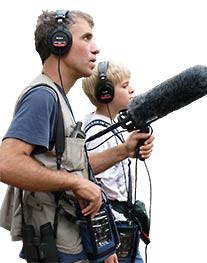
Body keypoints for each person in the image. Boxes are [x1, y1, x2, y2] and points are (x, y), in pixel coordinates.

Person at [0, 10, 153, 263]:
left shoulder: (59, 99)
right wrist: (75, 184)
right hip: (60, 251)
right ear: (59, 42)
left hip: (75, 247)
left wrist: (125, 150)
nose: (96, 49)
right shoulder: (42, 96)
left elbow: (72, 169)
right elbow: (7, 164)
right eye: (86, 38)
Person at [82, 61, 155, 263]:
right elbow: (91, 185)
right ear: (105, 93)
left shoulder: (111, 127)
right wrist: (104, 247)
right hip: (112, 232)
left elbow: (112, 168)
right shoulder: (97, 131)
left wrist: (133, 152)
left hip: (123, 228)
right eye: (124, 86)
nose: (132, 89)